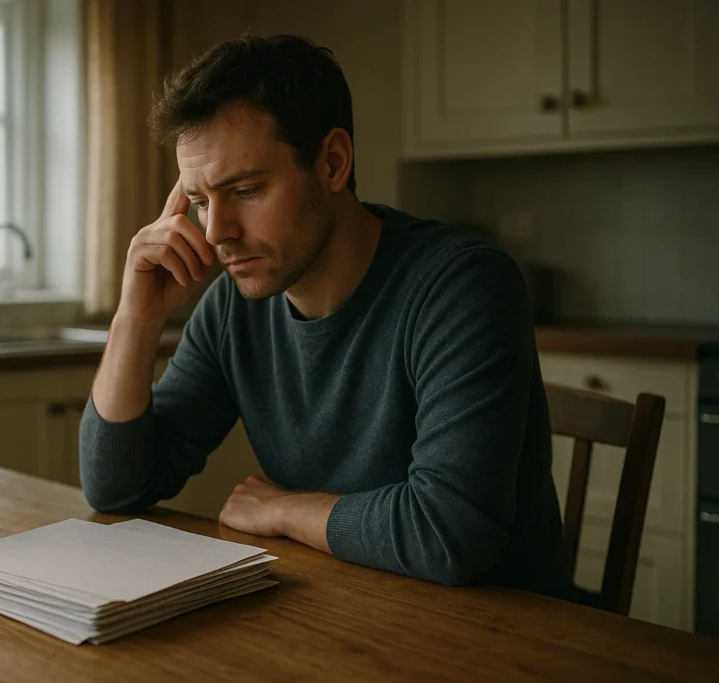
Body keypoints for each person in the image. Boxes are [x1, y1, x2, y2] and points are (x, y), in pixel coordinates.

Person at [78, 33, 569, 597]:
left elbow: (450, 532)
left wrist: (285, 510)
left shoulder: (462, 285)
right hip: (340, 607)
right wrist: (135, 318)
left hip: (502, 634)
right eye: (200, 201)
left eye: (245, 189)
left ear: (333, 162)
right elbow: (116, 487)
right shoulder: (233, 307)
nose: (216, 233)